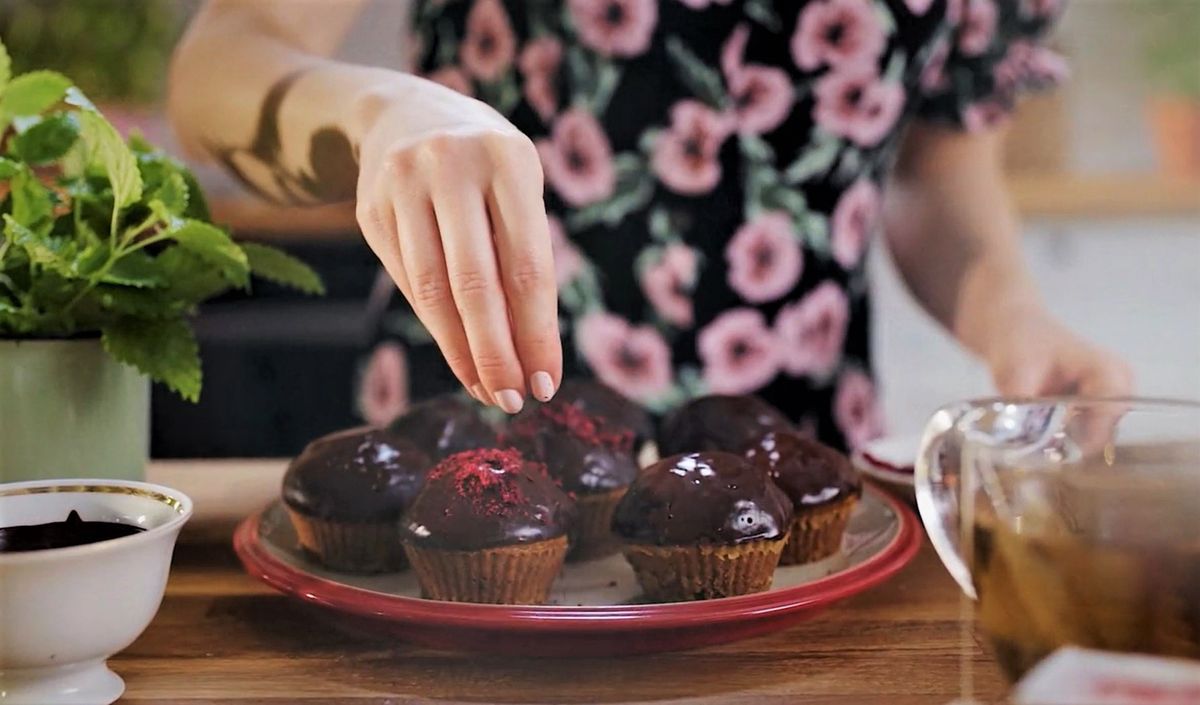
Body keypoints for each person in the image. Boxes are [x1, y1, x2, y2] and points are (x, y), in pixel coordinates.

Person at [169, 0, 1131, 451]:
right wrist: (376, 112)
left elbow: (934, 174)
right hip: (470, 453)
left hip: (795, 479)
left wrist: (1016, 324)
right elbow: (224, 56)